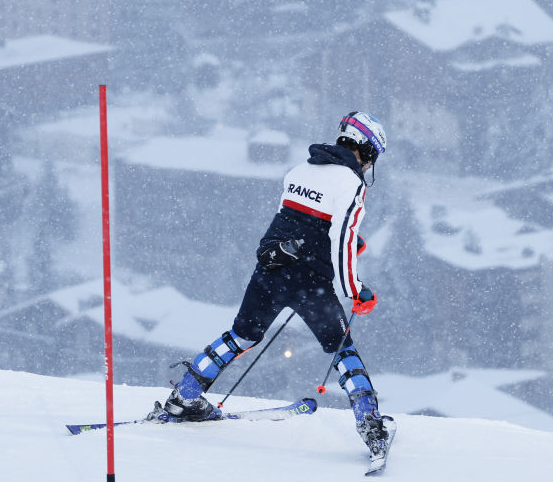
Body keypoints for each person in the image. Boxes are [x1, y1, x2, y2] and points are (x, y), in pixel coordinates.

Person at [153, 111, 392, 458]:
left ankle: (183, 399)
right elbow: (339, 240)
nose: (370, 168)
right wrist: (355, 290)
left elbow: (297, 223)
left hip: (269, 269)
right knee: (342, 351)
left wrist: (347, 242)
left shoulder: (299, 171)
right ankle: (372, 428)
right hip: (310, 282)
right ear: (366, 152)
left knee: (241, 337)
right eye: (373, 159)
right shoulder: (350, 184)